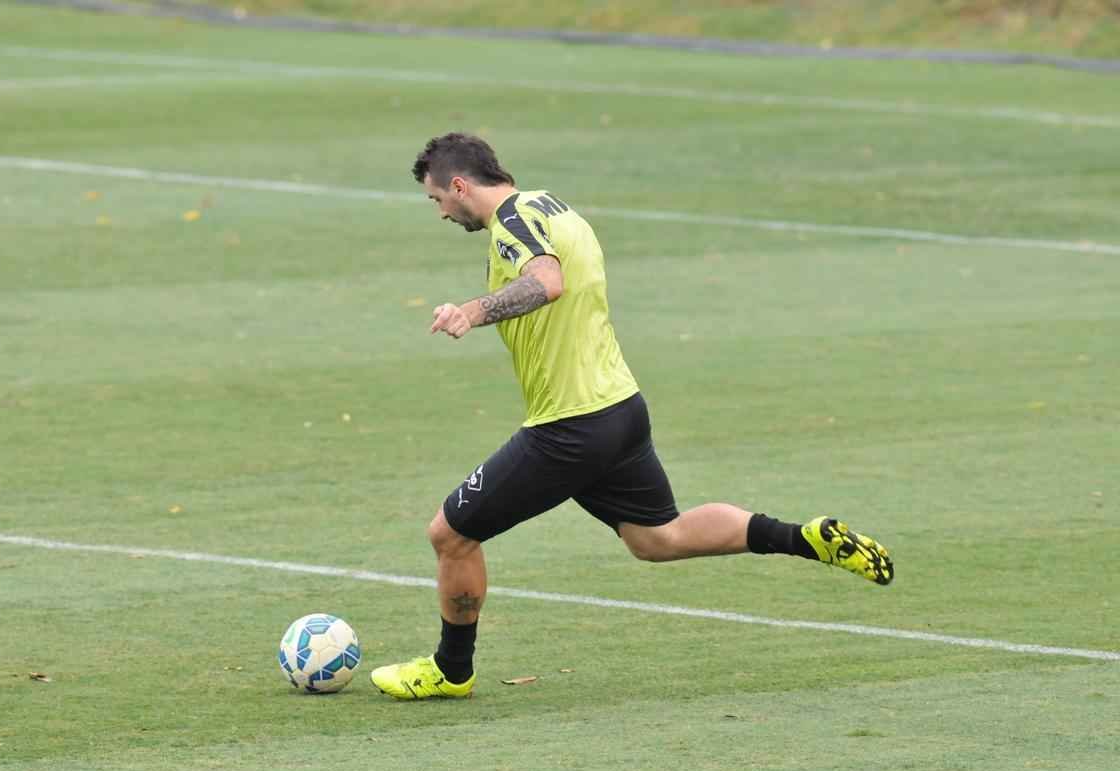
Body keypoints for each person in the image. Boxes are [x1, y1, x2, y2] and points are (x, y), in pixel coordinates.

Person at [369, 133, 893, 700]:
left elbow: (547, 282)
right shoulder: (554, 205)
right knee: (656, 537)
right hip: (619, 408)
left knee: (450, 535)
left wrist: (472, 312)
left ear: (459, 185)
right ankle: (801, 537)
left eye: (436, 199)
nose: (440, 211)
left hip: (569, 427)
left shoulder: (514, 224)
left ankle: (451, 670)